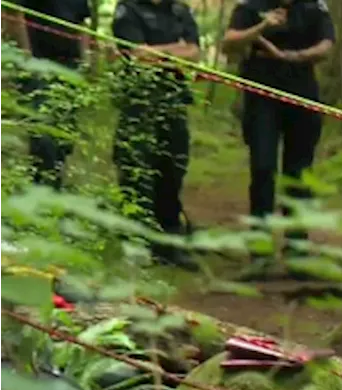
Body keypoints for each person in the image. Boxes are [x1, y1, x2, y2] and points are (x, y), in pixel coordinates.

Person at [222, 0, 334, 227]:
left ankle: (296, 243)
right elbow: (229, 42)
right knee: (263, 167)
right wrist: (262, 27)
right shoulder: (251, 5)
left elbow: (326, 46)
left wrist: (291, 56)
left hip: (302, 94)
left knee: (299, 172)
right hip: (261, 95)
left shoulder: (314, 7)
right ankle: (259, 243)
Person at [111, 0, 201, 268]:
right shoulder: (129, 8)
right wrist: (175, 51)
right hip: (139, 101)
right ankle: (135, 240)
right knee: (134, 169)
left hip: (173, 99)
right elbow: (137, 55)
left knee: (173, 168)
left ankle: (169, 243)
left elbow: (195, 52)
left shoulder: (180, 10)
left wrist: (157, 52)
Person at [6, 0, 92, 189]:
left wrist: (85, 61)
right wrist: (27, 57)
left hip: (70, 66)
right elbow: (16, 15)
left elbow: (82, 25)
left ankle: (56, 188)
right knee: (42, 135)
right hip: (40, 64)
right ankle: (40, 188)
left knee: (64, 135)